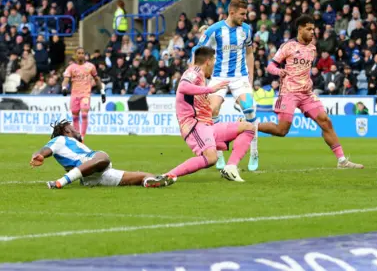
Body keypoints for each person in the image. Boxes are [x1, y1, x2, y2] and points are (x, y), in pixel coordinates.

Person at [262, 15, 364, 169]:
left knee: (326, 122)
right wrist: (279, 72)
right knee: (282, 130)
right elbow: (270, 66)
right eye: (309, 29)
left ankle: (342, 161)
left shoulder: (312, 48)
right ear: (300, 29)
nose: (312, 32)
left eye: (313, 29)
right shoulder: (288, 46)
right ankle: (252, 126)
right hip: (289, 93)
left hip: (307, 93)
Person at [164, 46, 257, 182]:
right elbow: (183, 87)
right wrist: (210, 89)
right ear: (208, 61)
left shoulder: (201, 77)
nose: (214, 66)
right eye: (214, 61)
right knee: (211, 157)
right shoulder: (193, 72)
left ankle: (230, 167)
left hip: (207, 126)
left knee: (248, 127)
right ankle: (168, 176)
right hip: (194, 126)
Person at [192, 0, 258, 171]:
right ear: (232, 13)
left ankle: (254, 152)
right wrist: (196, 76)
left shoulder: (246, 30)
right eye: (242, 14)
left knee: (249, 109)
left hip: (240, 77)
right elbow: (196, 51)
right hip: (219, 77)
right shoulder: (215, 30)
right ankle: (218, 153)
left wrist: (250, 77)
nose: (245, 17)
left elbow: (250, 53)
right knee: (212, 110)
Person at [30, 120, 174, 189]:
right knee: (102, 156)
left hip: (97, 177)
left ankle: (151, 181)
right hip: (91, 163)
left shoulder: (74, 143)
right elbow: (45, 150)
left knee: (143, 175)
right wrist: (39, 155)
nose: (76, 130)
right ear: (66, 131)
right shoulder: (60, 139)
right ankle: (60, 182)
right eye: (72, 128)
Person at [62, 48, 106, 141]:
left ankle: (82, 136)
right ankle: (77, 136)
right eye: (79, 53)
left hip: (86, 94)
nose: (81, 55)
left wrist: (102, 92)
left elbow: (97, 79)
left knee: (85, 114)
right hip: (74, 95)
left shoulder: (90, 66)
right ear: (75, 55)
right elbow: (66, 79)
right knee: (75, 116)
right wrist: (64, 88)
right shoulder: (71, 67)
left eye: (82, 53)